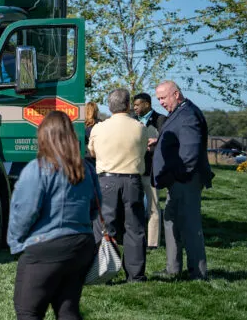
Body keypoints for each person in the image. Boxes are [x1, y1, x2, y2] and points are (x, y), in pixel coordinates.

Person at [8, 111, 101, 320]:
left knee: (28, 309)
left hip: (45, 247)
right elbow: (96, 207)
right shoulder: (85, 169)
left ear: (43, 137)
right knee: (68, 306)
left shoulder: (39, 168)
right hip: (81, 244)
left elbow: (24, 211)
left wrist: (15, 242)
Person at [88, 88, 156, 283]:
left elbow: (92, 152)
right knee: (134, 227)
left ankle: (102, 272)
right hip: (133, 180)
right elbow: (143, 150)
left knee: (104, 226)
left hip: (107, 180)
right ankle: (135, 275)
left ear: (110, 107)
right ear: (128, 105)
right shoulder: (140, 127)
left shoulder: (98, 128)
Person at [153, 81, 213, 281]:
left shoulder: (187, 115)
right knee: (171, 222)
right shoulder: (180, 111)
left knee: (189, 226)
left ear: (176, 94)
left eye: (163, 97)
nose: (160, 102)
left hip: (185, 180)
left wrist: (173, 176)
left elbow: (189, 154)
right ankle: (173, 269)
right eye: (158, 98)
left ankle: (197, 272)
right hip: (178, 181)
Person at [133, 92, 166, 250]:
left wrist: (156, 143)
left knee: (153, 206)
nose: (135, 108)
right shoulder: (132, 120)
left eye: (137, 105)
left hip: (152, 170)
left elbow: (167, 141)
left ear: (147, 104)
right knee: (133, 206)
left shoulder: (161, 120)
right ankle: (136, 238)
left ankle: (152, 243)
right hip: (133, 170)